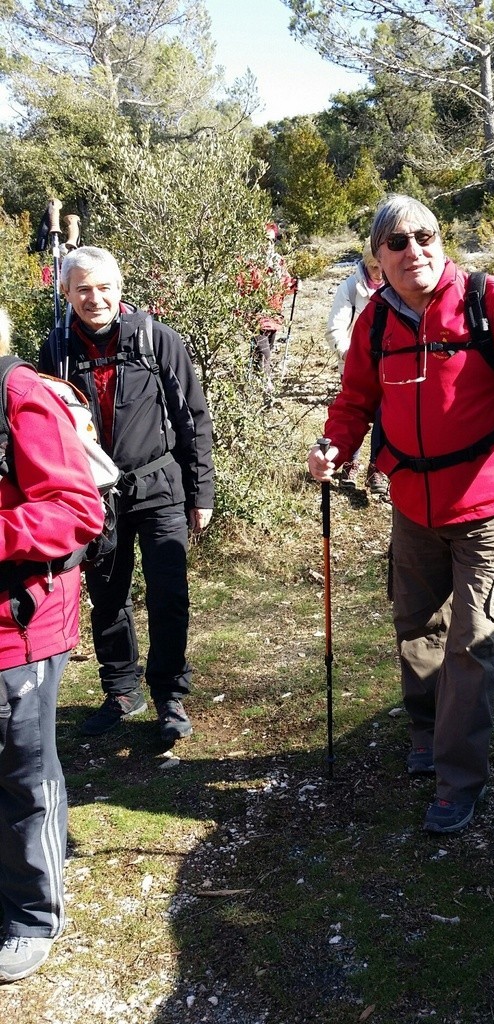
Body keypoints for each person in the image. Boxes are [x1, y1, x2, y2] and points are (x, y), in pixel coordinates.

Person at [308, 195, 494, 834]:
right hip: (412, 503)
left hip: (488, 502)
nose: (414, 249)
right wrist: (334, 447)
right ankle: (425, 728)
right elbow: (355, 399)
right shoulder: (375, 322)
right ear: (377, 259)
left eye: (426, 235)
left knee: (469, 641)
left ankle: (457, 778)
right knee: (416, 625)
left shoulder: (486, 298)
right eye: (398, 242)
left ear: (441, 241)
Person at [38, 246, 215, 744]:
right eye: (82, 289)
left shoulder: (158, 340)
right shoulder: (57, 350)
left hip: (160, 487)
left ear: (120, 289)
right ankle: (120, 690)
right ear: (68, 294)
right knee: (107, 596)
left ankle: (168, 695)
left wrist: (201, 494)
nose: (94, 298)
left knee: (168, 596)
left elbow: (194, 421)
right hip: (95, 498)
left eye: (103, 287)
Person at [0, 307, 104, 982]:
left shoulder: (21, 396)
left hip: (22, 622)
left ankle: (33, 916)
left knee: (23, 770)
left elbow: (78, 509)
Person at [325, 240, 388, 495]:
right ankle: (350, 464)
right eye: (373, 267)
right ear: (365, 263)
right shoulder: (350, 289)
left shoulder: (397, 286)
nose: (378, 273)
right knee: (355, 410)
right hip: (354, 364)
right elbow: (334, 329)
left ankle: (378, 468)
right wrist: (350, 354)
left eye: (380, 266)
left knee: (385, 416)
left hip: (387, 365)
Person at [248, 222, 299, 381]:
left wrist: (294, 284)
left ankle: (252, 384)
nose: (267, 244)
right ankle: (266, 386)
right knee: (264, 354)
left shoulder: (278, 262)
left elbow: (285, 284)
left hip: (274, 316)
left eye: (270, 241)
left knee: (263, 352)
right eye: (264, 240)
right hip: (256, 317)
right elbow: (243, 287)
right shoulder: (251, 264)